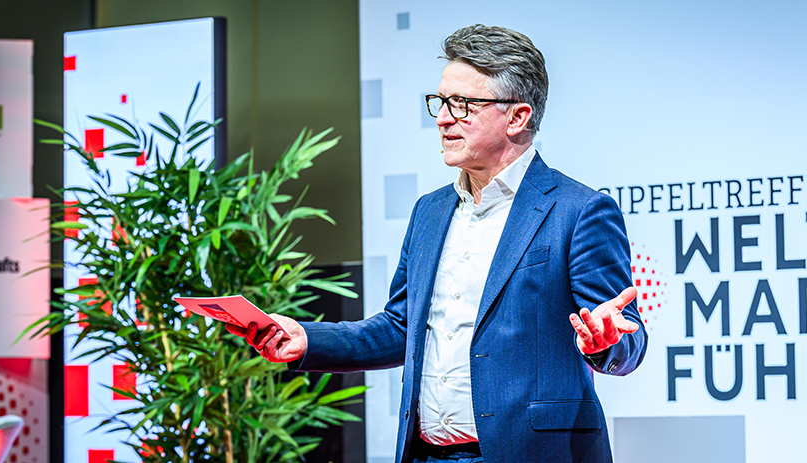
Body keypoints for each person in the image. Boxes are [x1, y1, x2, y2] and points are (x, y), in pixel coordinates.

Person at [228, 24, 648, 463]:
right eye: (441, 102)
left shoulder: (578, 211)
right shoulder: (429, 212)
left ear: (517, 117)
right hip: (427, 455)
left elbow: (628, 339)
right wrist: (307, 339)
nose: (444, 118)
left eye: (462, 105)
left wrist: (605, 344)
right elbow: (400, 329)